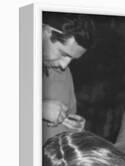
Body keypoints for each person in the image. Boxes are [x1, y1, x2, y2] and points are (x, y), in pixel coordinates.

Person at [42, 13, 95, 141]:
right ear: (45, 32)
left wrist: (74, 128)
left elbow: (68, 116)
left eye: (72, 59)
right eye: (63, 53)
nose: (64, 65)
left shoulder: (64, 74)